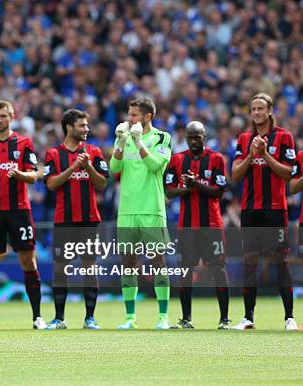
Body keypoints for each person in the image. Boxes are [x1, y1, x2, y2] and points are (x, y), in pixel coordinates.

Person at [0, 100, 47, 330]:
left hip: (19, 210)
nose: (0, 120)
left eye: (3, 116)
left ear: (12, 116)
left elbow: (34, 175)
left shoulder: (24, 143)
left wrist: (19, 174)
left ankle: (37, 316)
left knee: (28, 259)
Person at [231, 93, 297, 331]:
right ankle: (248, 317)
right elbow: (234, 175)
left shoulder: (284, 137)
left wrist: (266, 155)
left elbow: (288, 174)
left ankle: (289, 317)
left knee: (280, 262)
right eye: (253, 109)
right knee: (249, 262)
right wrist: (251, 155)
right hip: (250, 210)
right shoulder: (244, 138)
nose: (256, 113)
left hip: (275, 209)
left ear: (269, 111)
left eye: (260, 109)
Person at [109, 97, 172, 330]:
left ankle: (163, 317)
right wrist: (119, 143)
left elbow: (157, 166)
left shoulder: (162, 137)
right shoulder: (124, 138)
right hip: (126, 211)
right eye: (129, 114)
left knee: (158, 262)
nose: (130, 119)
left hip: (151, 210)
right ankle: (130, 317)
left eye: (134, 115)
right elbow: (113, 169)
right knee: (128, 263)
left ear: (147, 117)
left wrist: (138, 143)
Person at [43, 109, 109, 330]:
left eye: (87, 125)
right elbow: (51, 184)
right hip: (64, 219)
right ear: (69, 128)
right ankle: (59, 318)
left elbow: (102, 184)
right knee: (61, 267)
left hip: (89, 219)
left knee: (89, 267)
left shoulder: (94, 151)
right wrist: (73, 167)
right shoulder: (53, 154)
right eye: (82, 126)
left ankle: (90, 318)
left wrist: (88, 166)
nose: (86, 129)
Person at [165, 121, 230, 329]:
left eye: (197, 137)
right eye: (190, 137)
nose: (194, 141)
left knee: (218, 270)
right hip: (187, 227)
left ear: (205, 136)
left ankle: (224, 319)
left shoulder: (216, 159)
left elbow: (219, 192)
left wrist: (196, 184)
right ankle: (186, 319)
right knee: (185, 270)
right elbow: (169, 192)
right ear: (185, 137)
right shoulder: (177, 160)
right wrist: (187, 187)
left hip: (211, 225)